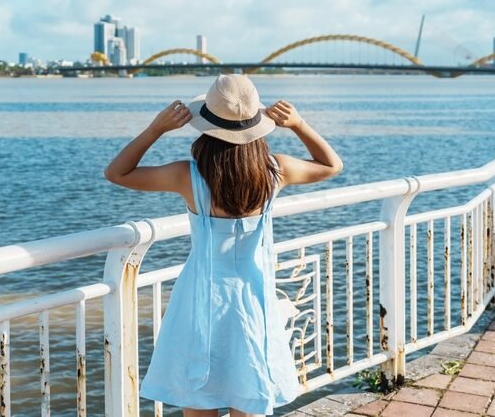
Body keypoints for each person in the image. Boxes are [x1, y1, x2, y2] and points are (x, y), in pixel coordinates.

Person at [104, 74, 343, 417]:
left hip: (200, 300)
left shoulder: (189, 177)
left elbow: (117, 173)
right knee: (250, 393)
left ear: (207, 127)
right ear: (258, 125)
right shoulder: (276, 171)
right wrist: (299, 124)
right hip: (253, 300)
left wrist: (156, 128)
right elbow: (332, 165)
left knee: (200, 396)